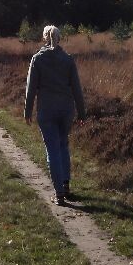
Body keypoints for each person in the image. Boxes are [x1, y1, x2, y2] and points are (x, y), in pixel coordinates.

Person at [24, 24, 86, 206]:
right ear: (60, 38)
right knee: (63, 145)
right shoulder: (68, 60)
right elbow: (77, 89)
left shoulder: (37, 59)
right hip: (66, 110)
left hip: (47, 110)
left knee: (52, 149)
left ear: (44, 38)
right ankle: (65, 185)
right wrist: (82, 113)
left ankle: (59, 193)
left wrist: (27, 111)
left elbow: (31, 89)